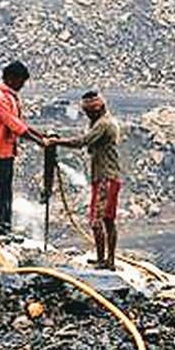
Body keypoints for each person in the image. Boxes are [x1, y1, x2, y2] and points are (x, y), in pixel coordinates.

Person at [51, 91, 123, 269]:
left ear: (97, 109)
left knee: (97, 221)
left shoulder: (103, 124)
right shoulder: (102, 122)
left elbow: (82, 142)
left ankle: (104, 260)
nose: (87, 115)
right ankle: (107, 260)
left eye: (89, 112)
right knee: (108, 220)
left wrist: (56, 142)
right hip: (107, 176)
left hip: (105, 177)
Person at [0, 60, 48, 228]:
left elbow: (19, 123)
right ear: (11, 78)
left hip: (7, 150)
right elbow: (14, 125)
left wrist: (39, 135)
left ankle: (4, 223)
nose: (22, 85)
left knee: (5, 189)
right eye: (21, 81)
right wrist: (38, 141)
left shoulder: (9, 97)